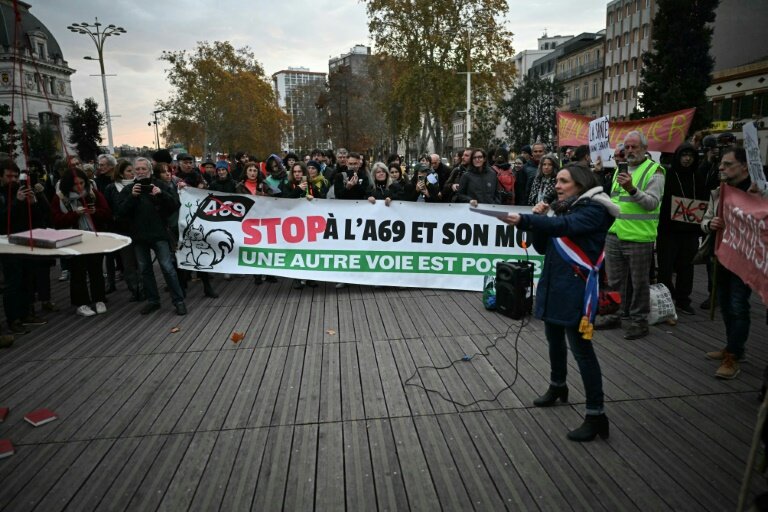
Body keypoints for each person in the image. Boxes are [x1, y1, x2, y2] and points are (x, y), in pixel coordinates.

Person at [501, 163, 619, 442]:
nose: (557, 185)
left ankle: (596, 414)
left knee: (581, 349)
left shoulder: (595, 210)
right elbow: (542, 246)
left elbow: (565, 227)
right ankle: (558, 385)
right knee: (553, 338)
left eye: (563, 181)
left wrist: (528, 220)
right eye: (556, 180)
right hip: (554, 283)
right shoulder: (565, 208)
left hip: (576, 289)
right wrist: (538, 220)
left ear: (580, 184)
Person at [701, 147, 768, 379]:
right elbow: (705, 220)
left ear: (744, 167)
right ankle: (733, 346)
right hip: (720, 256)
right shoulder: (718, 192)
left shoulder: (759, 190)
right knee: (726, 304)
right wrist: (710, 224)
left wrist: (758, 199)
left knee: (739, 305)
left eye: (728, 164)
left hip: (744, 259)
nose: (721, 168)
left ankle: (735, 356)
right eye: (721, 164)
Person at [603, 131, 666, 339]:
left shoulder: (655, 171)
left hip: (639, 236)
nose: (629, 151)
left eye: (634, 147)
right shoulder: (620, 170)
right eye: (627, 147)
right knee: (614, 280)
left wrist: (631, 188)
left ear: (645, 149)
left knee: (639, 283)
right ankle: (615, 314)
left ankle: (639, 321)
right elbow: (615, 202)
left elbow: (652, 203)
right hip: (615, 234)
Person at [117, 157, 187, 316]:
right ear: (134, 171)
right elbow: (120, 213)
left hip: (159, 234)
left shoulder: (159, 185)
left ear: (149, 170)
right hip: (139, 236)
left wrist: (161, 194)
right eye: (138, 169)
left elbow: (175, 205)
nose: (141, 172)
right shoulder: (129, 190)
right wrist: (131, 198)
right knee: (145, 269)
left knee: (168, 268)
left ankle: (179, 301)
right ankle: (153, 300)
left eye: (144, 169)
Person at [51, 168, 112, 317]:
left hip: (93, 237)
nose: (79, 187)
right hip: (73, 239)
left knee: (96, 269)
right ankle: (81, 303)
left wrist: (94, 212)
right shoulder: (59, 198)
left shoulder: (93, 193)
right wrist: (74, 214)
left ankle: (99, 298)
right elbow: (56, 221)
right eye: (75, 184)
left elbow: (107, 212)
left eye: (82, 183)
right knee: (78, 272)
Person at [656, 142, 708, 316]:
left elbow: (704, 201)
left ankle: (683, 300)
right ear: (678, 156)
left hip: (690, 232)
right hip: (668, 231)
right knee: (665, 268)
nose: (687, 159)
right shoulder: (668, 175)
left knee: (687, 267)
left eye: (691, 156)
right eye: (684, 155)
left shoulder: (698, 177)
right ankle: (666, 297)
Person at [0, 159, 49, 334]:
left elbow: (39, 217)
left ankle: (27, 312)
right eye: (8, 176)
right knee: (13, 281)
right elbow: (3, 220)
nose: (12, 180)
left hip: (26, 239)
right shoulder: (3, 195)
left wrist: (33, 201)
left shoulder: (20, 191)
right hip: (8, 243)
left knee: (28, 278)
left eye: (15, 176)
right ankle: (13, 319)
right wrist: (17, 202)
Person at [104, 160, 142, 301]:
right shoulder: (111, 188)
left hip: (137, 228)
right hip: (120, 229)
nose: (132, 174)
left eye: (133, 171)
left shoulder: (138, 186)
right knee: (128, 262)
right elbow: (109, 208)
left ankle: (143, 288)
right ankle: (134, 289)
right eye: (129, 171)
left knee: (141, 260)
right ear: (121, 173)